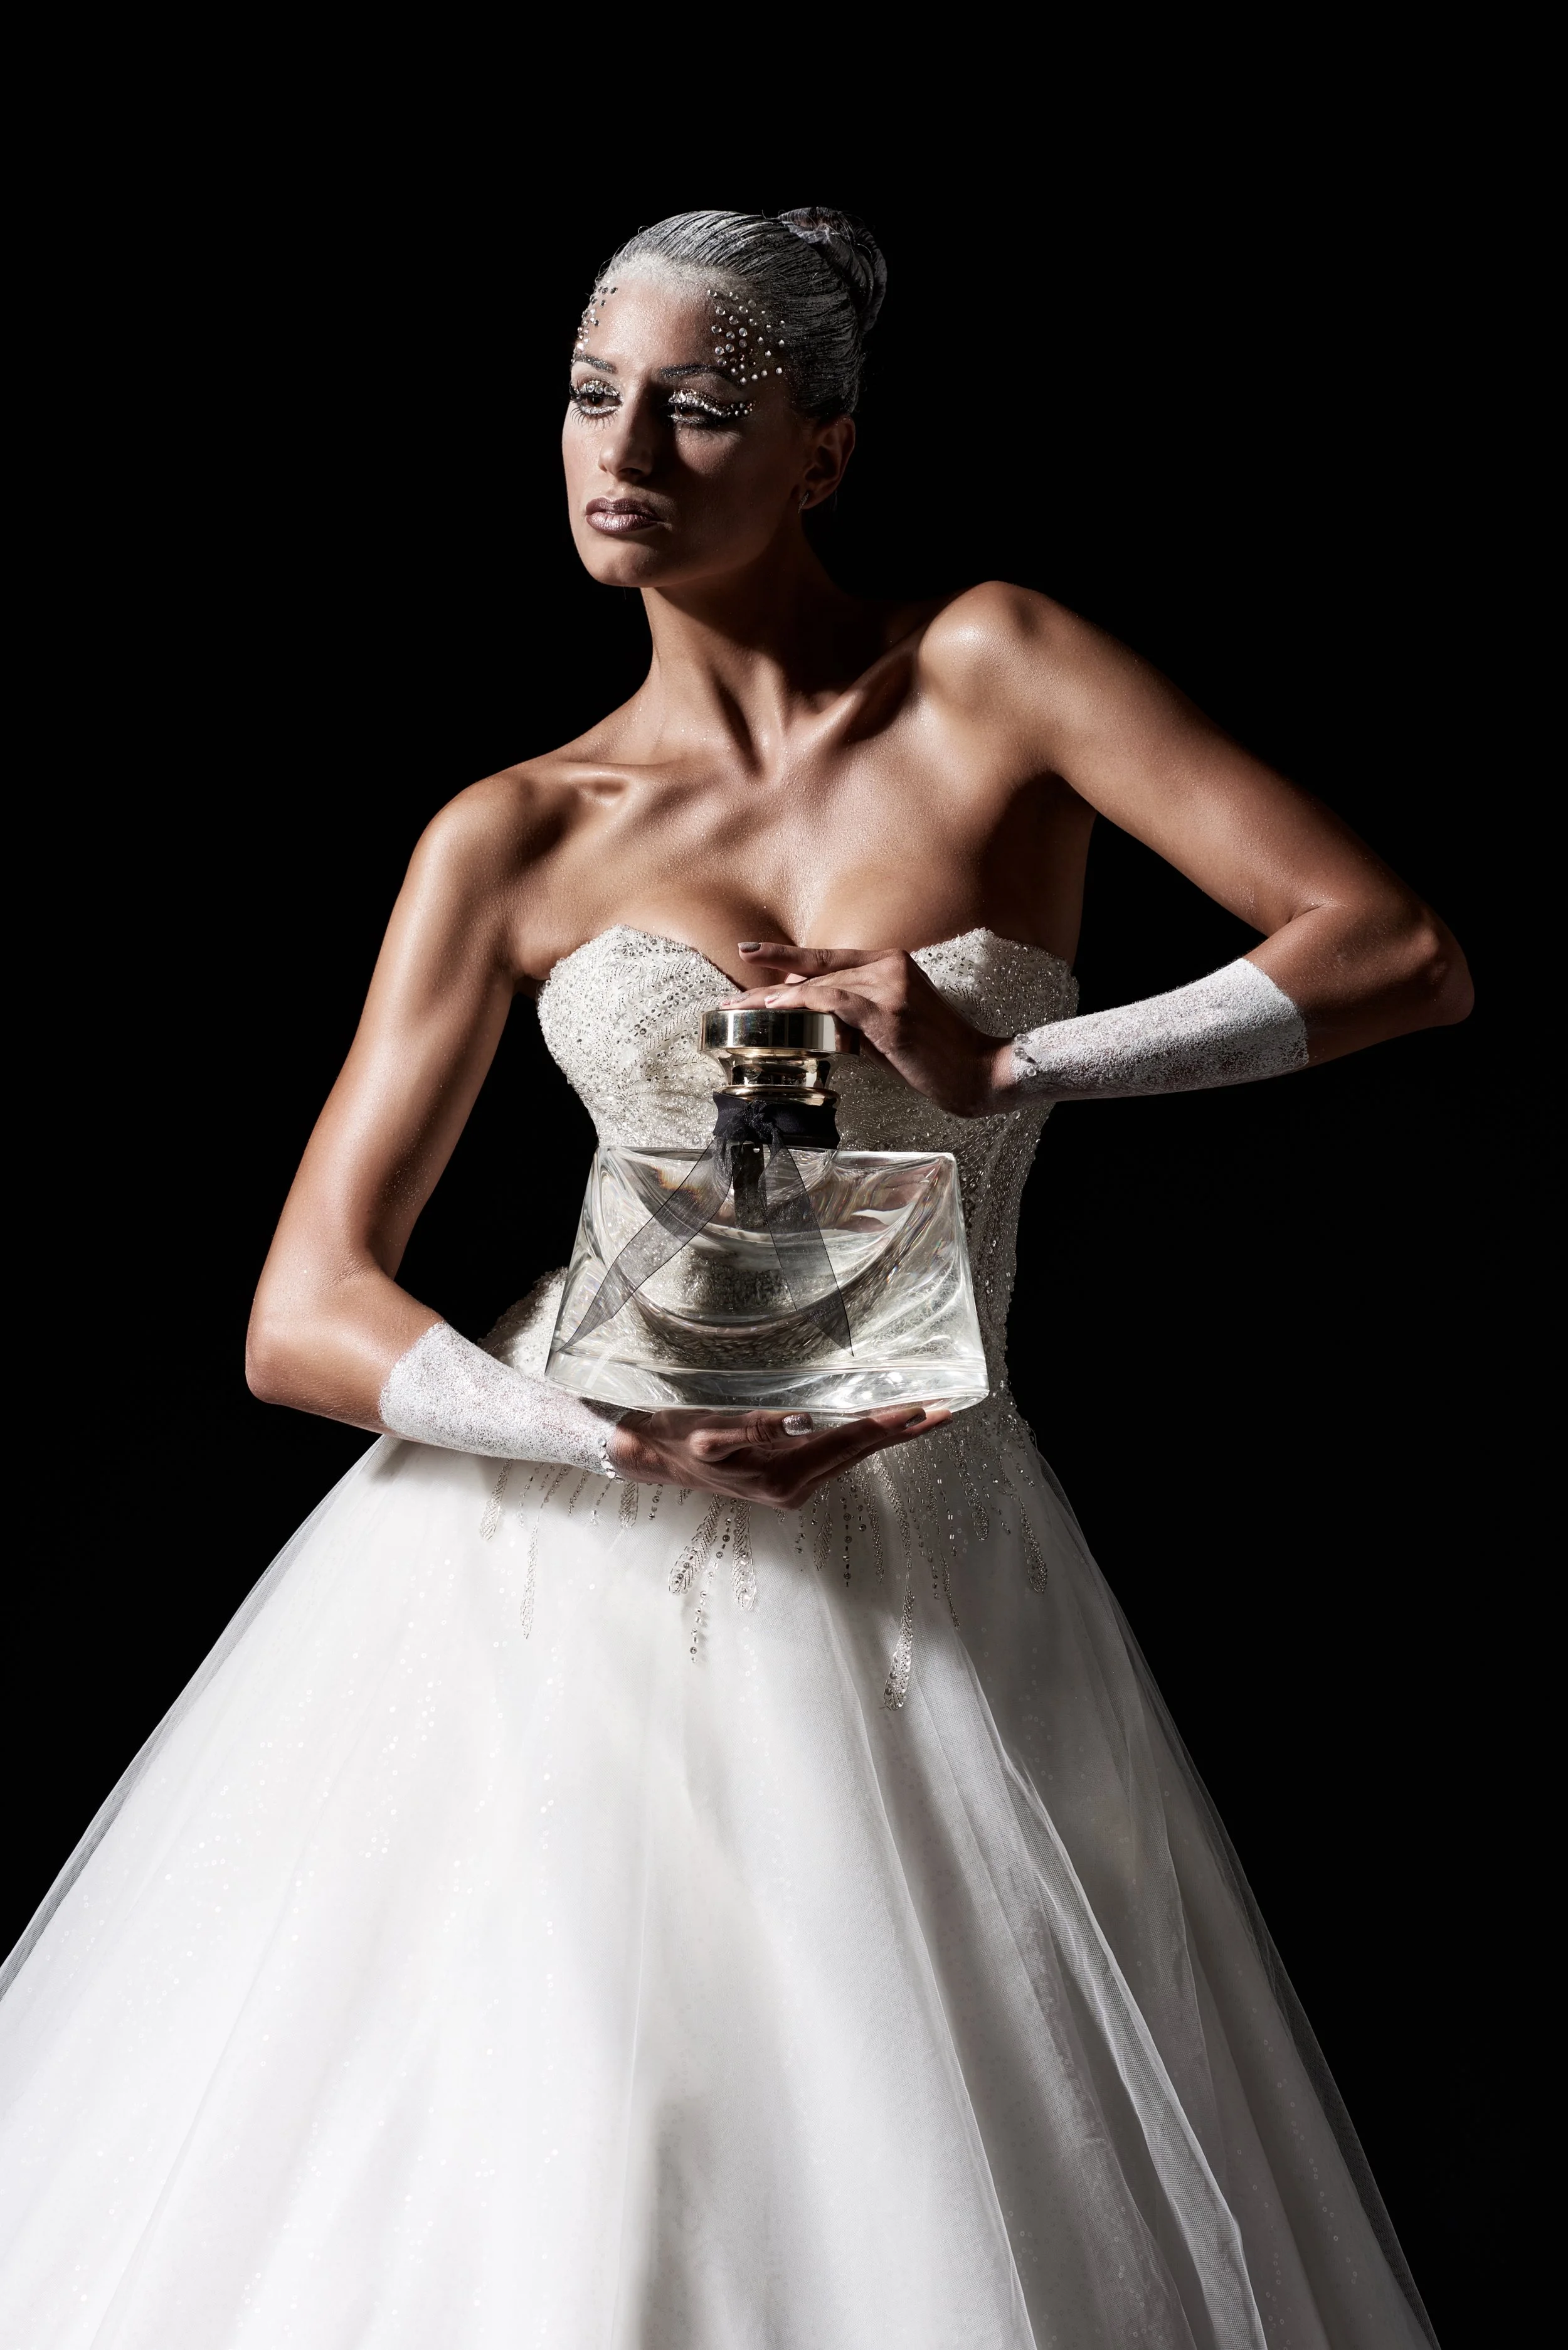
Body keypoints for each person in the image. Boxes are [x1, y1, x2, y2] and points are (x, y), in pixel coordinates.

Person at [0, 206, 1468, 2349]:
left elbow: (1396, 955)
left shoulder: (992, 670)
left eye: (695, 406)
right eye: (589, 395)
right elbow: (301, 1310)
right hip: (557, 1549)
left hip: (931, 1527)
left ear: (823, 451)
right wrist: (605, 1436)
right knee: (541, 2156)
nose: (622, 453)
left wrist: (1015, 1062)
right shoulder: (513, 834)